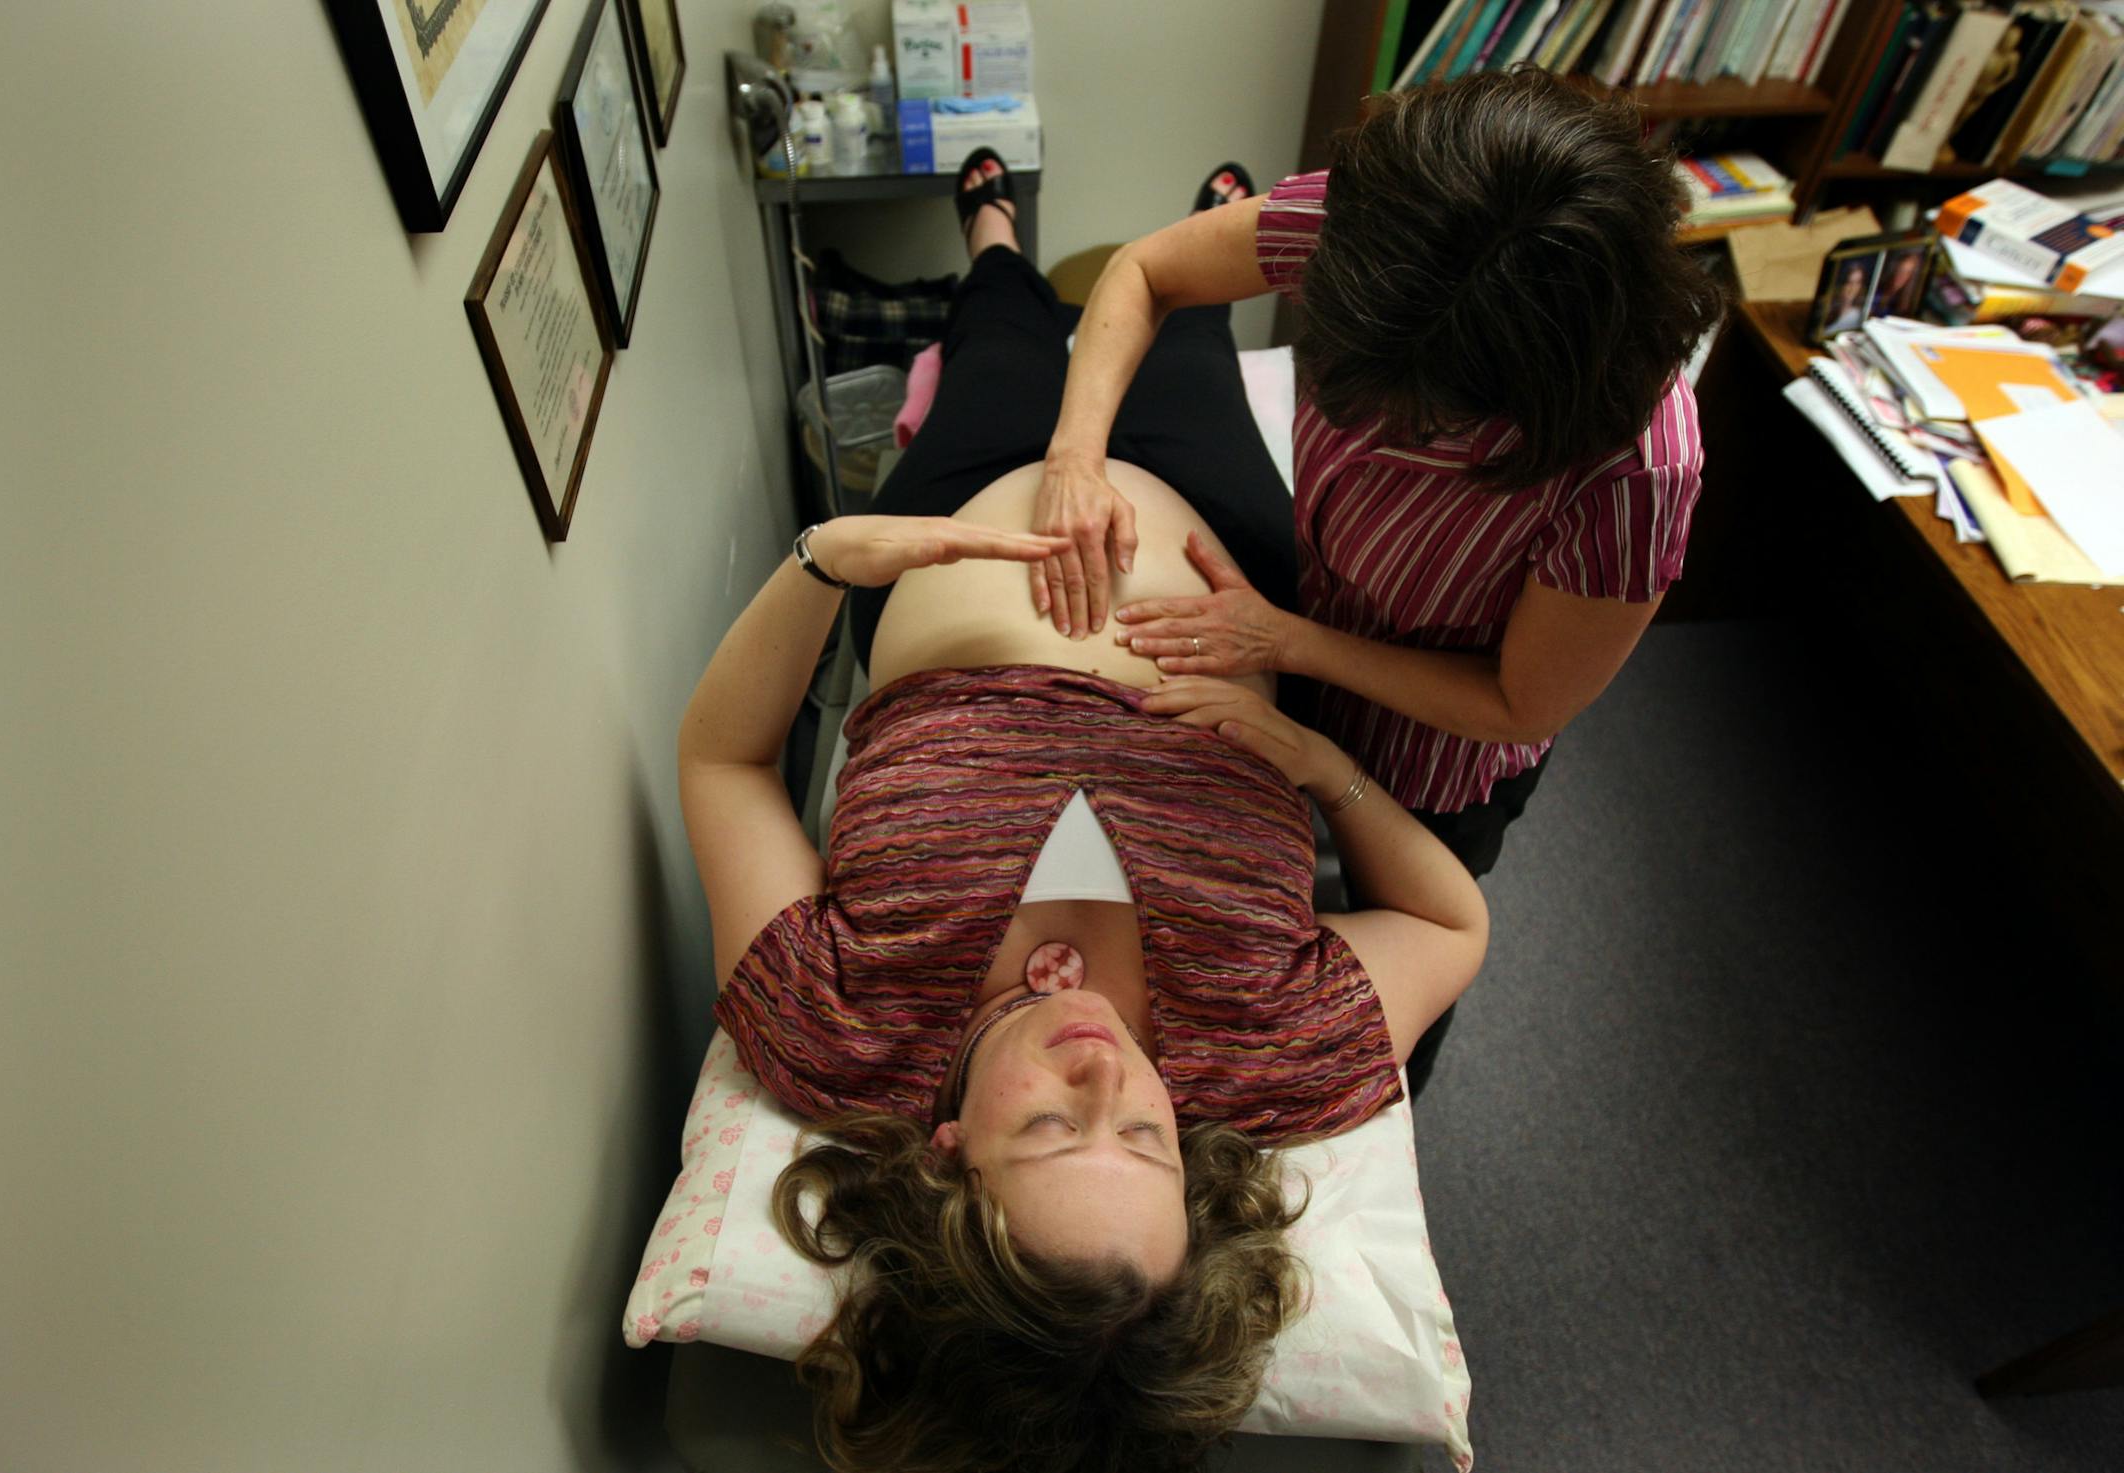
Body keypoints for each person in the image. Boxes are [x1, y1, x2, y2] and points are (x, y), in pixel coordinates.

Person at [675, 153, 1488, 1473]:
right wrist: (1308, 759)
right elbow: (1452, 921)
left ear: (947, 1156)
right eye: (1151, 1142)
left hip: (962, 522)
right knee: (1185, 332)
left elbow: (723, 762)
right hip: (1214, 543)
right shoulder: (1271, 1054)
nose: (1112, 1071)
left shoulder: (832, 1027)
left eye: (1051, 1122)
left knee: (995, 315)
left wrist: (827, 562)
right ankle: (1219, 204)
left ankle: (991, 220)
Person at [1032, 68, 1725, 1093]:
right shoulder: (1382, 227)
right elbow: (1147, 274)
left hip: (1440, 740)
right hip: (1305, 602)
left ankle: (1397, 1100)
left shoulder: (1636, 471)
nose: (1363, 437)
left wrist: (1287, 645)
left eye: (1414, 430)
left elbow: (1515, 698)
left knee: (1392, 963)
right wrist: (1072, 459)